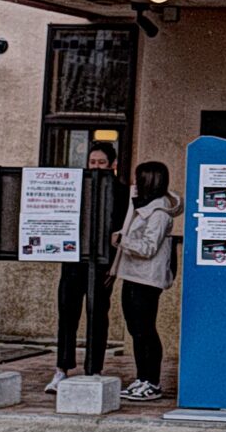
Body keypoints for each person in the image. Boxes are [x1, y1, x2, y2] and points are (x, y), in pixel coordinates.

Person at [51, 143, 127, 388]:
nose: (95, 167)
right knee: (67, 314)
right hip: (74, 261)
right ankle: (62, 367)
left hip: (104, 264)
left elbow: (122, 232)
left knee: (98, 315)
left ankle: (94, 368)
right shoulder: (77, 189)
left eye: (101, 163)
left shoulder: (122, 193)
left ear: (113, 165)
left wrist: (114, 269)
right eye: (92, 162)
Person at [116, 160, 178, 401]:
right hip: (133, 275)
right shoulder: (143, 206)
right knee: (136, 329)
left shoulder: (159, 213)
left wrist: (123, 240)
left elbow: (149, 247)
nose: (134, 183)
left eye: (138, 179)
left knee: (145, 330)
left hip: (146, 278)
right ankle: (142, 378)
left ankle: (152, 381)